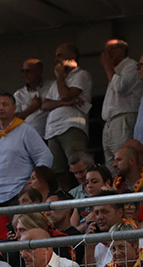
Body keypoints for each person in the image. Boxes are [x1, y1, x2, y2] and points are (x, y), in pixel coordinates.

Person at [0, 92, 54, 205]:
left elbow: (45, 156)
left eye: (5, 104)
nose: (1, 108)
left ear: (14, 108)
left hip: (19, 192)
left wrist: (34, 182)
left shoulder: (25, 130)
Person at [42, 43, 93, 174]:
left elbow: (65, 95)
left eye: (59, 56)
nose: (56, 60)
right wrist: (64, 103)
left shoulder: (81, 75)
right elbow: (45, 105)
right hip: (53, 131)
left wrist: (60, 77)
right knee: (57, 172)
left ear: (72, 57)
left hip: (72, 126)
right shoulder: (56, 84)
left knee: (79, 167)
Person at [100, 39, 142, 169]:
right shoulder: (115, 69)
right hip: (109, 122)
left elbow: (120, 87)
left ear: (122, 50)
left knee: (123, 160)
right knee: (112, 165)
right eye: (105, 50)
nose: (107, 53)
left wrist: (108, 67)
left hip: (123, 118)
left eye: (111, 49)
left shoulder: (131, 65)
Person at [14, 58, 52, 138]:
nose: (24, 74)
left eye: (28, 71)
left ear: (39, 71)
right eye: (23, 71)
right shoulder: (19, 94)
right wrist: (32, 108)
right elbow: (13, 120)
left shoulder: (52, 86)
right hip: (26, 138)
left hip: (47, 136)